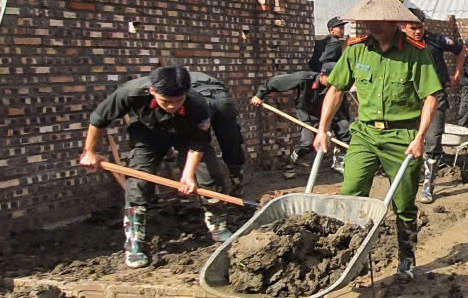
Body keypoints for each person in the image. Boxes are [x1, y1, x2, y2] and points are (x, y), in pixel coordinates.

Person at [313, 0, 441, 280]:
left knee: (403, 204)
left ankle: (406, 258)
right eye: (367, 20)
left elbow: (430, 97)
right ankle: (353, 258)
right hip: (365, 135)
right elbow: (336, 90)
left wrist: (420, 137)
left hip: (402, 137)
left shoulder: (415, 54)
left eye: (378, 20)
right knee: (351, 194)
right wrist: (322, 129)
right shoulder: (356, 50)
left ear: (394, 21)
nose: (372, 25)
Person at [78, 65, 231, 269]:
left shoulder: (197, 104)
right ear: (152, 91)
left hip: (186, 135)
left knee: (210, 174)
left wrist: (188, 175)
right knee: (138, 181)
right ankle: (134, 243)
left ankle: (218, 226)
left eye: (178, 101)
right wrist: (90, 151)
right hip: (147, 135)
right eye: (165, 101)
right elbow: (98, 119)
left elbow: (198, 142)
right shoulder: (130, 93)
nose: (172, 106)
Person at [400, 4, 464, 204]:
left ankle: (428, 185)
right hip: (409, 99)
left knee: (433, 140)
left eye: (420, 26)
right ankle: (410, 180)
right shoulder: (398, 45)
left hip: (436, 96)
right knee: (408, 139)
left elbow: (460, 49)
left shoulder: (436, 40)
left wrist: (457, 75)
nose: (417, 31)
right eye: (413, 28)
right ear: (403, 27)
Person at [250, 62, 351, 179]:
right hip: (308, 112)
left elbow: (343, 107)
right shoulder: (305, 78)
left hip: (333, 112)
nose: (335, 81)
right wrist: (259, 95)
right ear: (323, 75)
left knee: (346, 133)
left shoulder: (337, 87)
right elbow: (275, 82)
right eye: (332, 78)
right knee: (308, 142)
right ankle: (289, 163)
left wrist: (345, 123)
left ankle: (340, 162)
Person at [190, 72, 246, 195]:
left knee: (199, 143)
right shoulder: (199, 75)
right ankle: (237, 181)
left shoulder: (172, 81)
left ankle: (213, 192)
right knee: (231, 140)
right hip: (223, 98)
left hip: (200, 99)